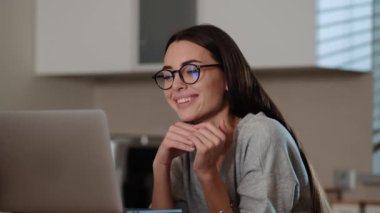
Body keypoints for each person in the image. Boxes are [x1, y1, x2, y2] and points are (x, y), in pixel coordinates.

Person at [150, 24, 331, 213]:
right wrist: (160, 166)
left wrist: (208, 174)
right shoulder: (183, 148)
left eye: (191, 71)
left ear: (228, 77)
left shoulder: (262, 135)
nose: (175, 85)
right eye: (168, 75)